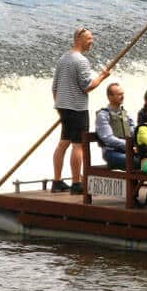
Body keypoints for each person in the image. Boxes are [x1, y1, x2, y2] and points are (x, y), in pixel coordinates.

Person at [51, 27, 110, 194]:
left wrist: (60, 105)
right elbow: (87, 86)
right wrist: (103, 76)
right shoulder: (81, 60)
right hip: (77, 108)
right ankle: (76, 183)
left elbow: (54, 87)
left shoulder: (63, 58)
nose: (92, 41)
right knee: (78, 145)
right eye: (89, 38)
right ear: (78, 39)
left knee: (64, 142)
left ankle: (57, 182)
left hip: (63, 106)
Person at [95, 83, 135, 170]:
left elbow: (133, 131)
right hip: (112, 152)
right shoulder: (103, 115)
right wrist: (128, 144)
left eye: (123, 94)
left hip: (128, 150)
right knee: (136, 161)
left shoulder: (125, 114)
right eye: (119, 94)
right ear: (110, 97)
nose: (122, 96)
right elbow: (108, 139)